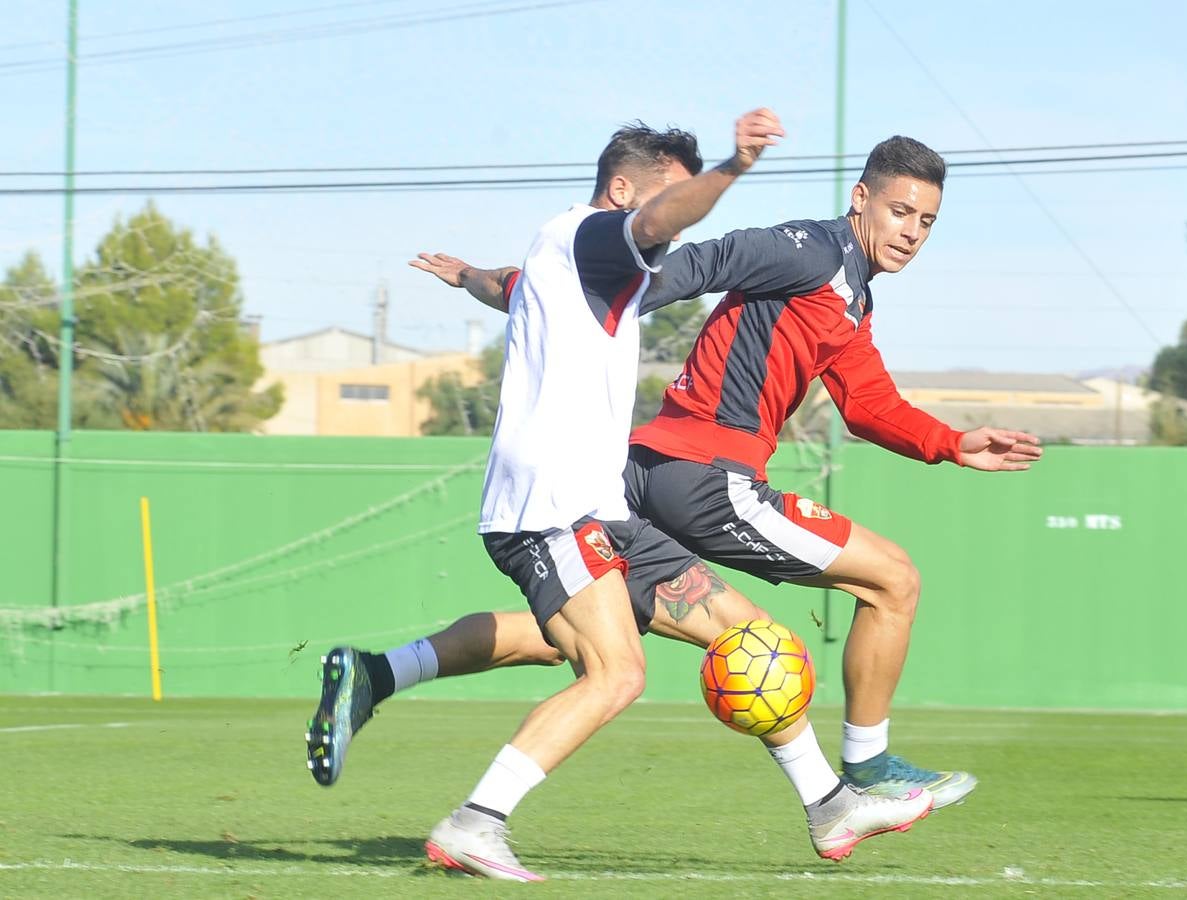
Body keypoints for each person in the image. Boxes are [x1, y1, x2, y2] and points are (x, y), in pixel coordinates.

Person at [307, 112, 934, 882]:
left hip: (597, 504)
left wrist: (468, 275)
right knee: (616, 672)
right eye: (662, 199)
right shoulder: (589, 234)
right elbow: (664, 217)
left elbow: (508, 285)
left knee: (749, 639)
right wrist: (732, 168)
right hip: (551, 507)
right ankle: (475, 822)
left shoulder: (582, 268)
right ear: (621, 189)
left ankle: (828, 805)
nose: (667, 220)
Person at [393, 135, 1043, 810]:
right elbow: (709, 260)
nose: (910, 232)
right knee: (894, 582)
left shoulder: (850, 298)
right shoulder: (811, 249)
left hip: (643, 472)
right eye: (900, 211)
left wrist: (951, 442)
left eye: (926, 222)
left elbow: (869, 405)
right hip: (704, 478)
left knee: (581, 637)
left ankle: (382, 673)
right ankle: (866, 769)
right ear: (861, 199)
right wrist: (623, 289)